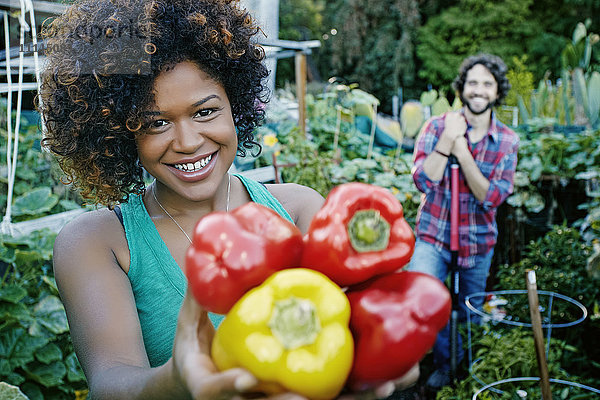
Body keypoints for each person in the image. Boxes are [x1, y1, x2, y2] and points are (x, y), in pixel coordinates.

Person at [38, 0, 418, 398]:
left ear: (236, 105)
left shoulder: (301, 209)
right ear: (119, 131)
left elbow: (360, 330)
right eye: (156, 123)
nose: (187, 142)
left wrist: (377, 355)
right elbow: (110, 381)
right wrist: (176, 381)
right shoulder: (96, 243)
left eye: (205, 112)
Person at [408, 53, 519, 391]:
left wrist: (463, 152)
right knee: (429, 300)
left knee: (472, 311)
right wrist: (448, 141)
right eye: (473, 82)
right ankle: (443, 365)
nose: (479, 90)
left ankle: (470, 370)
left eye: (487, 83)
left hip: (477, 239)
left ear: (497, 91)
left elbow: (491, 197)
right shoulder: (437, 126)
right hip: (434, 235)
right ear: (462, 88)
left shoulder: (507, 141)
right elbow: (423, 182)